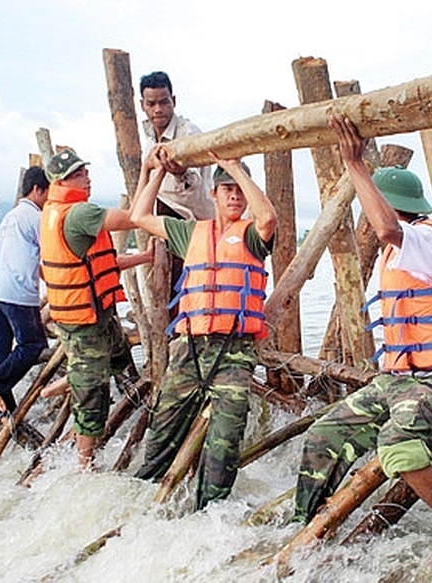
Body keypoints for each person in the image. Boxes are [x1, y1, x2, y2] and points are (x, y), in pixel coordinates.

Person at [291, 114, 432, 530]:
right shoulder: (399, 251)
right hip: (395, 380)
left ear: (393, 205)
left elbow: (386, 227)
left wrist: (356, 166)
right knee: (324, 435)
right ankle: (304, 529)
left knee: (398, 445)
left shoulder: (427, 238)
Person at [131, 146, 276, 510]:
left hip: (234, 353)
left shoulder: (253, 236)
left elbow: (269, 218)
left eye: (240, 191)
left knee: (224, 442)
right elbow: (140, 215)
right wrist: (158, 172)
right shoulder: (190, 232)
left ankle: (209, 513)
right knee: (162, 430)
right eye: (226, 189)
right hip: (189, 350)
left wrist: (235, 169)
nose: (234, 196)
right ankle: (147, 500)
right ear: (212, 194)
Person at [40, 149, 154, 470]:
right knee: (93, 396)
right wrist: (149, 171)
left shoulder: (55, 211)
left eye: (86, 172)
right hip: (85, 323)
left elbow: (102, 263)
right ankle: (84, 466)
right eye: (79, 175)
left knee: (119, 356)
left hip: (94, 314)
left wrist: (144, 258)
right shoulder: (78, 214)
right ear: (61, 181)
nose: (87, 178)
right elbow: (135, 216)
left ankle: (75, 375)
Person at [0, 166, 50, 415]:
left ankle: (2, 418)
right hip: (14, 290)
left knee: (0, 355)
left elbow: (32, 258)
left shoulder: (11, 217)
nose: (50, 199)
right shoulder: (35, 217)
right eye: (48, 192)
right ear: (38, 189)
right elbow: (51, 255)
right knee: (33, 343)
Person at [140, 71, 214, 311]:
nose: (158, 109)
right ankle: (172, 342)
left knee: (189, 293)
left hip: (190, 221)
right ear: (143, 106)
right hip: (162, 219)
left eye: (164, 102)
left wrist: (179, 173)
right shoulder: (150, 137)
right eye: (151, 104)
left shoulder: (187, 133)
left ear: (174, 101)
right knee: (167, 294)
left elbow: (195, 186)